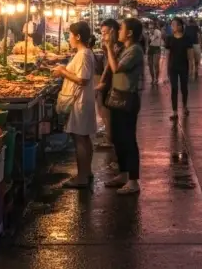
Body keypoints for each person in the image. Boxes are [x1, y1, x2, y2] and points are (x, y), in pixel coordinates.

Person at [52, 21, 97, 189]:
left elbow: (82, 79)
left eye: (70, 35)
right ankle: (87, 172)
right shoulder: (83, 53)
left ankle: (82, 177)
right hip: (83, 99)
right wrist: (65, 69)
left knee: (79, 138)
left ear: (78, 37)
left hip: (81, 101)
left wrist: (63, 72)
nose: (69, 38)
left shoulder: (84, 54)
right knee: (84, 137)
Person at [103, 17, 144, 195]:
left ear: (129, 33)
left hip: (128, 99)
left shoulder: (135, 50)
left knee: (128, 139)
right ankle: (123, 173)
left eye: (121, 29)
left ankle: (133, 181)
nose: (118, 31)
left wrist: (109, 48)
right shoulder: (125, 48)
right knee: (118, 138)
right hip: (117, 97)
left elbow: (116, 68)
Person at [95, 19, 122, 151]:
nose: (103, 35)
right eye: (102, 33)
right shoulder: (112, 45)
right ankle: (109, 134)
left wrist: (102, 82)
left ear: (113, 31)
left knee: (106, 109)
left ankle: (110, 138)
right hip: (109, 80)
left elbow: (111, 67)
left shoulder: (118, 46)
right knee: (103, 107)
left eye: (105, 32)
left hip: (113, 82)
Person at [164, 17, 194, 119]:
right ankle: (175, 111)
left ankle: (185, 107)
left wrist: (191, 68)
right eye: (171, 25)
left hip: (184, 67)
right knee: (174, 88)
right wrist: (165, 70)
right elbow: (167, 55)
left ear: (180, 26)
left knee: (184, 88)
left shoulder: (187, 38)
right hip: (173, 67)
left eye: (174, 24)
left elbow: (190, 55)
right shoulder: (169, 38)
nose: (172, 27)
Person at [145, 21, 163, 85]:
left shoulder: (157, 32)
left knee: (156, 65)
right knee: (150, 65)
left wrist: (149, 35)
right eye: (150, 28)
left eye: (152, 28)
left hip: (156, 49)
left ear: (155, 27)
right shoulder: (149, 33)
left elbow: (151, 39)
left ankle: (156, 79)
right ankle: (153, 79)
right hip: (150, 49)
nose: (150, 29)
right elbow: (147, 42)